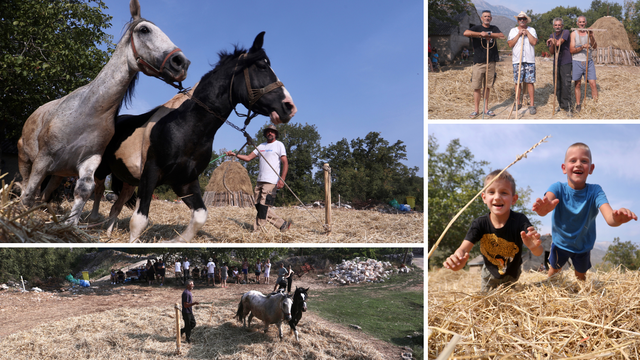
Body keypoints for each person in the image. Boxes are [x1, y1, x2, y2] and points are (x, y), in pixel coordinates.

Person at [532, 143, 637, 281]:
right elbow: (547, 204)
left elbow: (610, 218)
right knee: (553, 274)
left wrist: (618, 218)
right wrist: (543, 210)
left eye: (584, 161)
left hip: (583, 246)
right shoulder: (557, 188)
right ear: (564, 168)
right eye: (573, 160)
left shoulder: (595, 191)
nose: (578, 164)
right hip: (560, 243)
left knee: (581, 277)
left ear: (591, 168)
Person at [443, 170, 543, 292]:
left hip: (512, 275)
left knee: (509, 302)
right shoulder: (479, 224)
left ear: (514, 199)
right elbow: (463, 249)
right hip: (489, 275)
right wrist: (458, 259)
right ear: (484, 198)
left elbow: (539, 252)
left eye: (504, 192)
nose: (497, 197)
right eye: (491, 192)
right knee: (486, 302)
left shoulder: (520, 220)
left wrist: (533, 247)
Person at [225, 125, 291, 233]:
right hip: (260, 180)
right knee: (258, 205)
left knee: (264, 206)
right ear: (265, 134)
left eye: (272, 132)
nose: (270, 133)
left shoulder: (279, 145)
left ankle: (258, 231)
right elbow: (248, 158)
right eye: (268, 132)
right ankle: (282, 224)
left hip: (272, 181)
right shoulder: (260, 146)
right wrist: (234, 154)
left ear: (275, 134)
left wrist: (282, 179)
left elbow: (285, 162)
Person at [463, 10, 505, 118]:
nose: (487, 18)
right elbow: (466, 33)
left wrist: (489, 34)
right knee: (477, 86)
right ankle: (476, 110)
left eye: (489, 16)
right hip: (479, 61)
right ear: (482, 18)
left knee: (487, 86)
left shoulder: (494, 28)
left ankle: (486, 109)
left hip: (490, 61)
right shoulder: (476, 28)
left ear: (491, 18)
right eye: (485, 16)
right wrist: (480, 35)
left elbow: (501, 36)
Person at [508, 11, 538, 115]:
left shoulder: (532, 30)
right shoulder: (513, 31)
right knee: (518, 82)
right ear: (517, 20)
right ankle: (518, 102)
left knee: (530, 82)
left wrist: (527, 33)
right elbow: (510, 44)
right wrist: (519, 34)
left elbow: (534, 42)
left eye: (524, 19)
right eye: (520, 19)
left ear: (526, 20)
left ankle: (532, 105)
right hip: (517, 60)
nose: (522, 20)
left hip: (529, 60)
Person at [570, 16, 598, 112]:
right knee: (577, 84)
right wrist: (582, 47)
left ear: (585, 23)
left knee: (593, 83)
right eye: (580, 22)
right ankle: (578, 104)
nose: (581, 23)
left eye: (583, 22)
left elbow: (594, 47)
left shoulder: (589, 33)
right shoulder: (573, 34)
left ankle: (596, 104)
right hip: (577, 61)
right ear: (577, 23)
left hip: (588, 61)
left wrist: (591, 36)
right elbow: (571, 50)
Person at [546, 17, 573, 116]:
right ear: (553, 26)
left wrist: (553, 41)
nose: (557, 27)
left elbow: (559, 43)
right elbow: (552, 51)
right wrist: (552, 43)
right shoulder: (551, 35)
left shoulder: (565, 32)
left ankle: (568, 107)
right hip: (556, 62)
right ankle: (561, 105)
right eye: (556, 25)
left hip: (566, 62)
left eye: (559, 25)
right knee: (557, 85)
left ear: (562, 26)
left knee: (566, 85)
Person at [181, 280, 199, 344]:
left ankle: (182, 331)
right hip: (186, 312)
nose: (193, 285)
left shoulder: (189, 292)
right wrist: (194, 303)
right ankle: (188, 339)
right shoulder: (186, 293)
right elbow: (185, 305)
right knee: (188, 325)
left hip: (189, 311)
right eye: (192, 284)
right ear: (188, 285)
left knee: (193, 324)